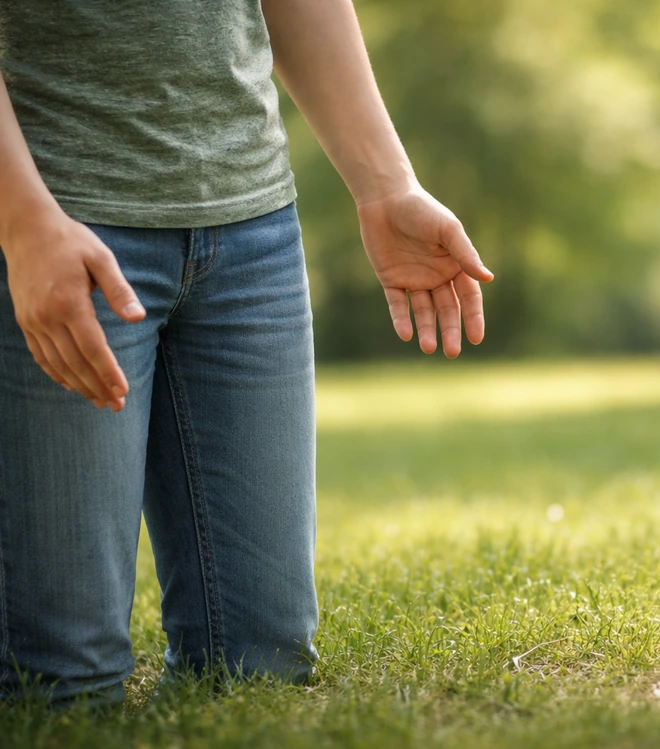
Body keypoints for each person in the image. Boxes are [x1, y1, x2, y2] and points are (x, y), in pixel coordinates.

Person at [0, 0, 492, 706]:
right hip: (62, 228)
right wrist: (22, 225)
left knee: (261, 669)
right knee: (61, 685)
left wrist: (386, 186)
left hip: (251, 234)